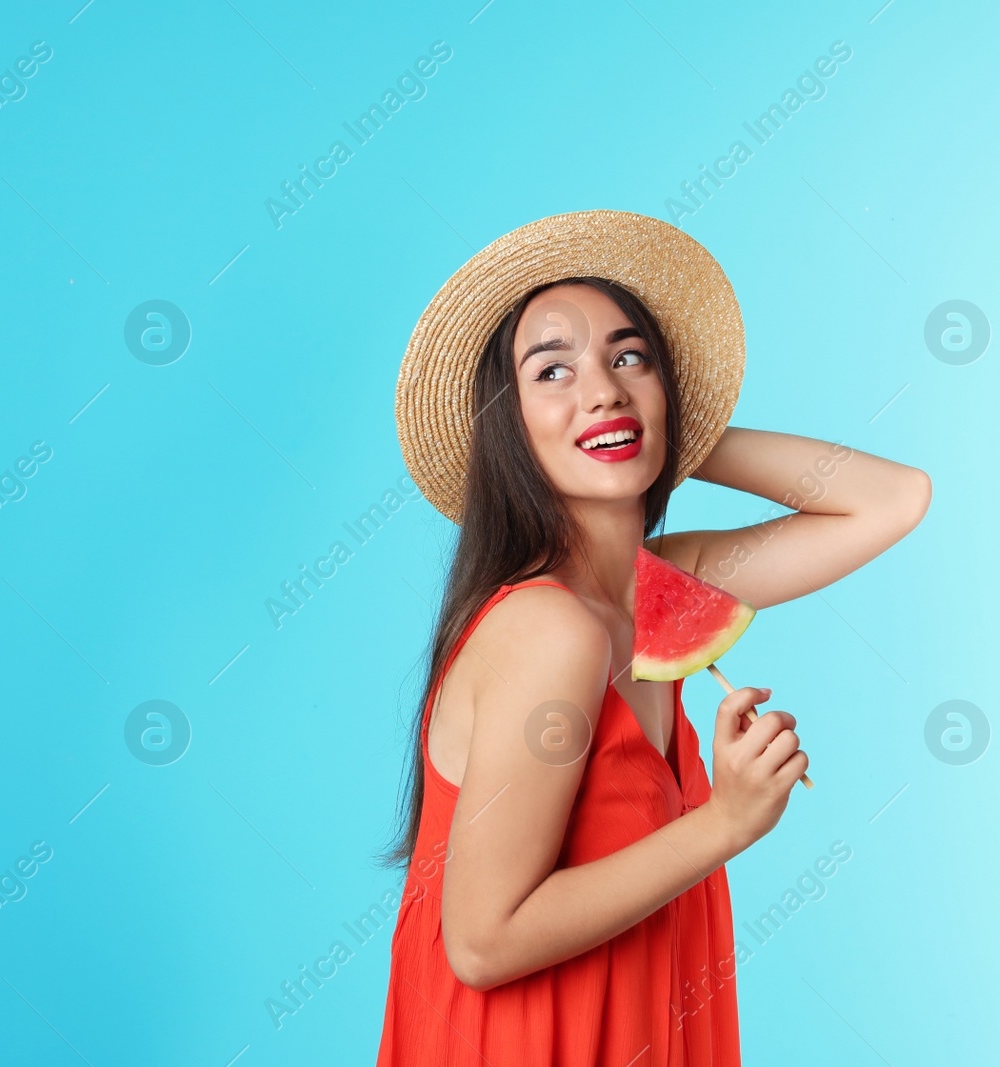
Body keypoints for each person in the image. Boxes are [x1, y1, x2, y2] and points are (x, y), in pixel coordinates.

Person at [376, 211, 931, 1065]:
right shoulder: (548, 628)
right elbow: (482, 943)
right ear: (506, 426)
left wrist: (675, 426)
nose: (601, 388)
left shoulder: (661, 583)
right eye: (552, 371)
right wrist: (727, 822)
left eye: (628, 357)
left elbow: (892, 498)